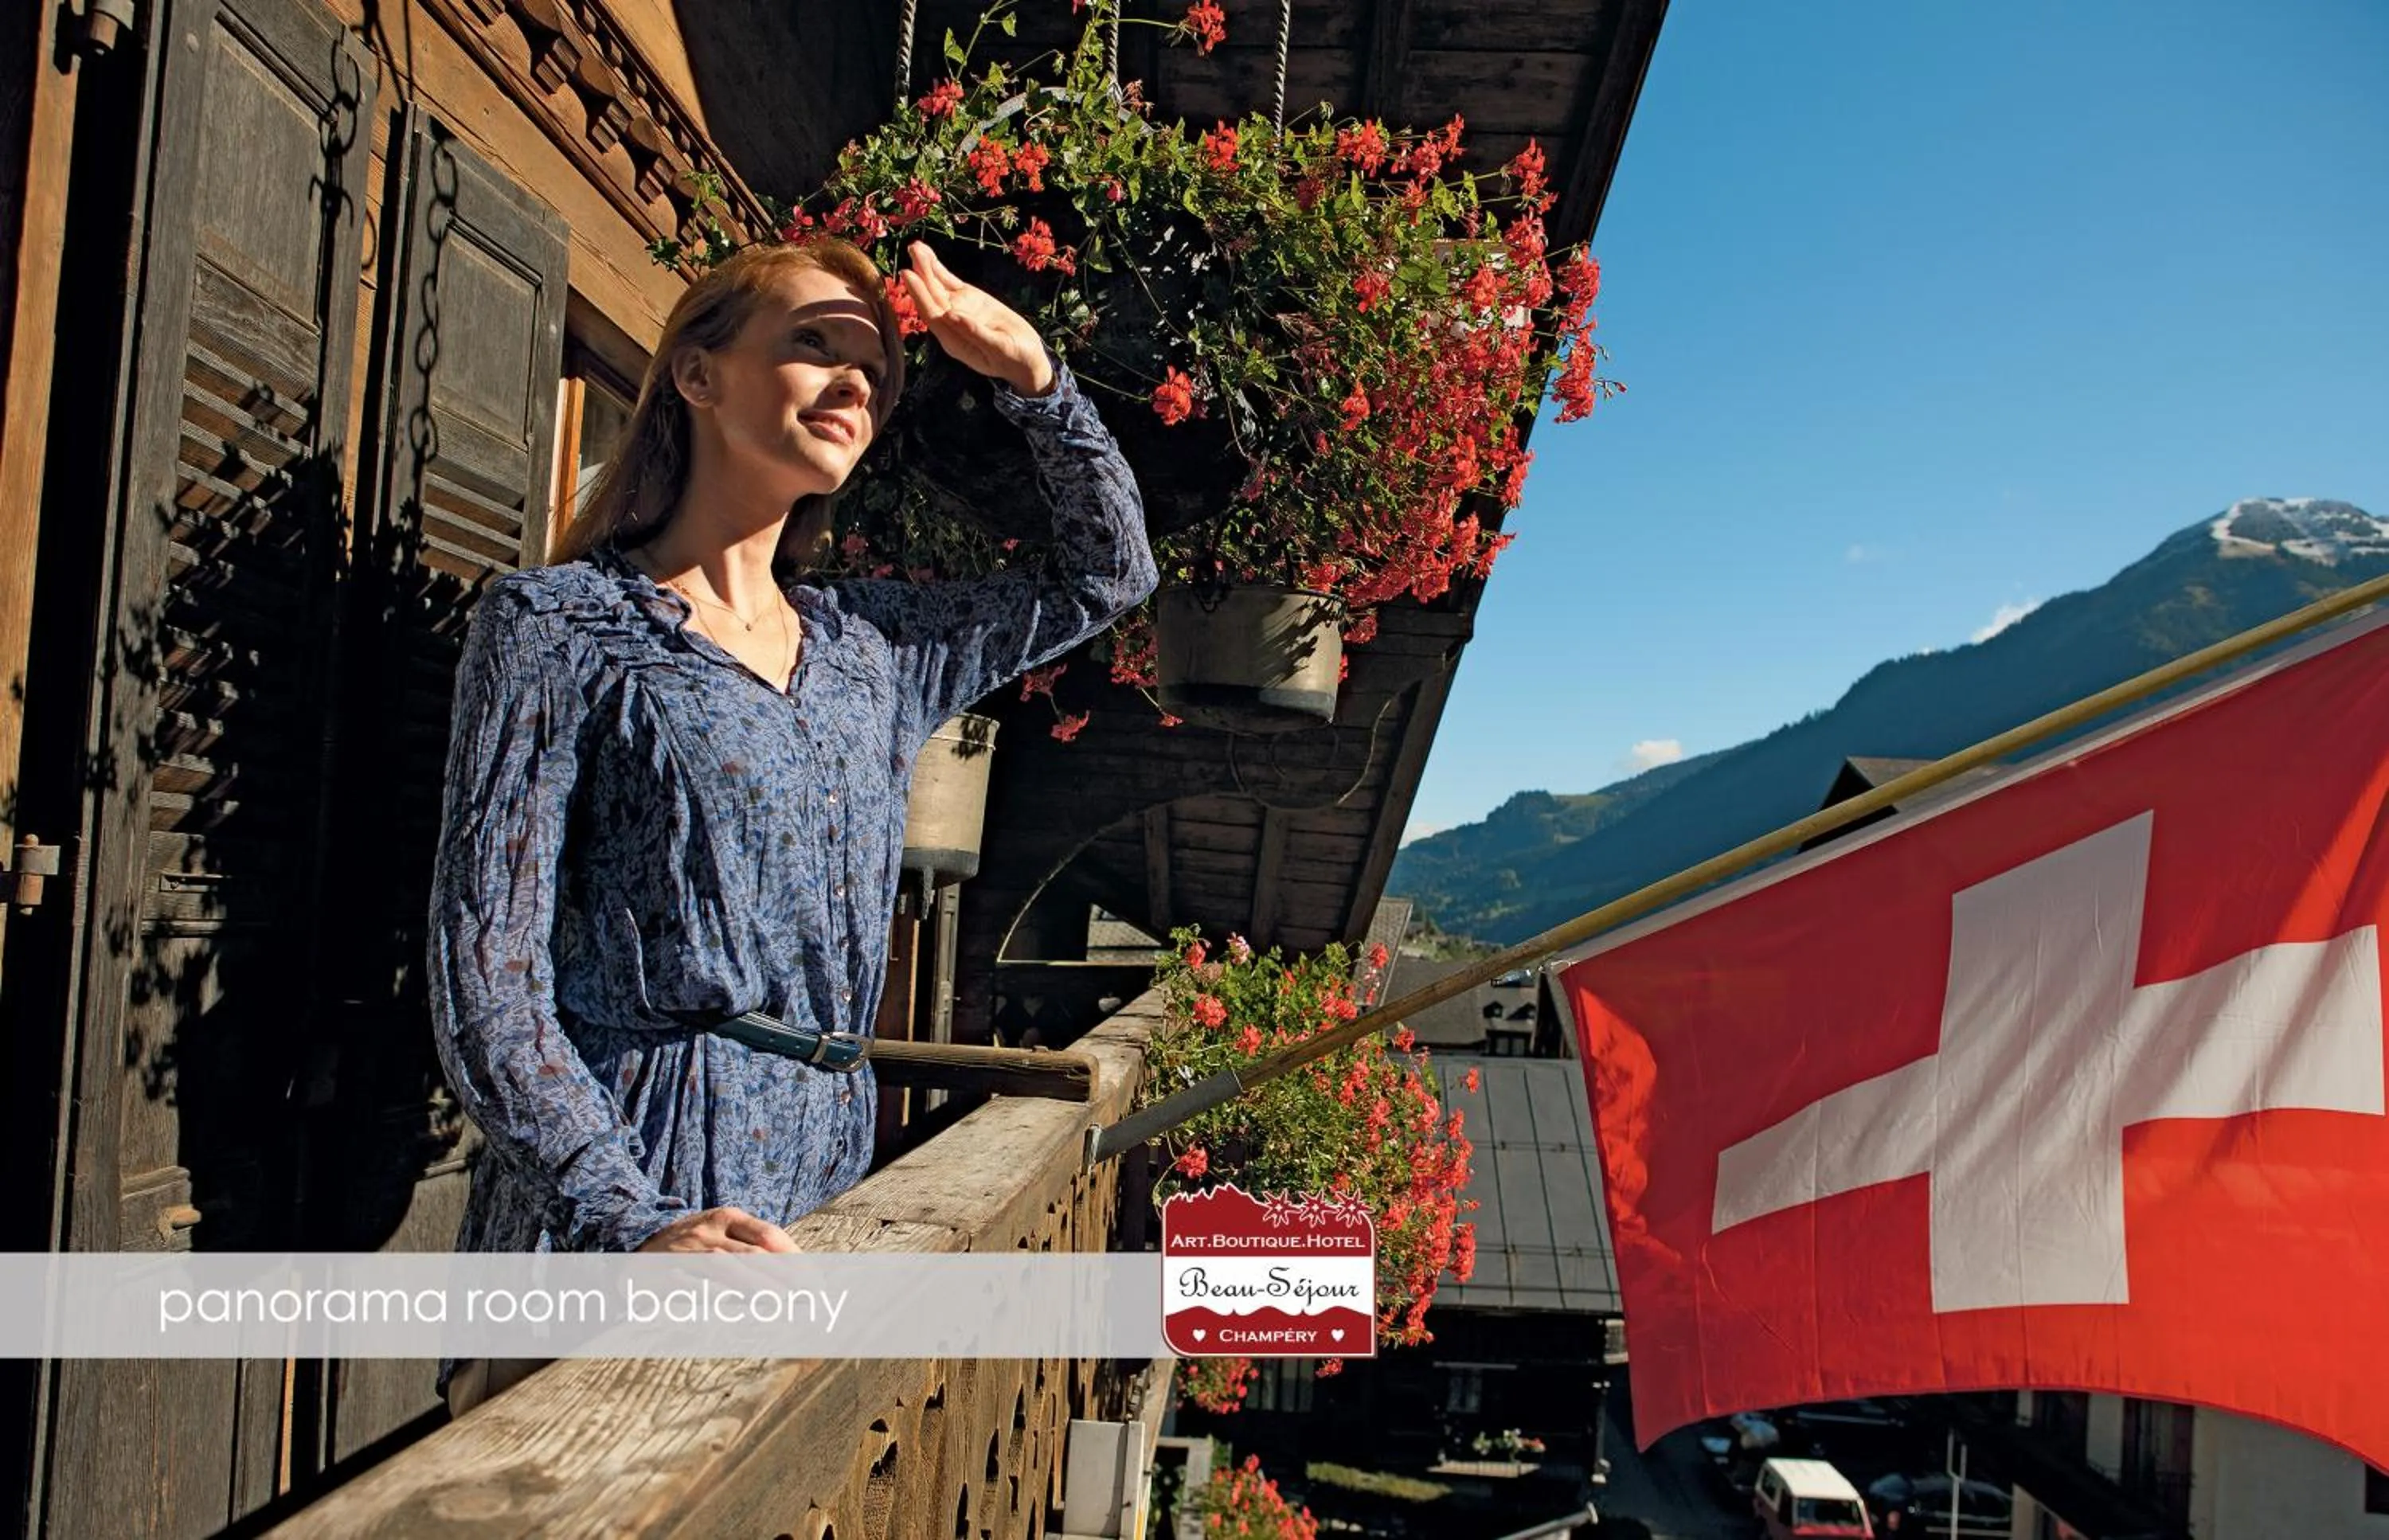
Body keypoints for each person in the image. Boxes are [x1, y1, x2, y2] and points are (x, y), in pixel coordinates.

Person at [427, 236, 1155, 1413]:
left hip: (817, 1177)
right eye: (813, 341)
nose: (855, 376)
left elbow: (1108, 576)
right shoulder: (556, 628)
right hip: (628, 1183)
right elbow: (486, 982)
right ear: (698, 376)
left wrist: (1033, 375)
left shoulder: (872, 653)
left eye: (874, 364)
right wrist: (631, 1220)